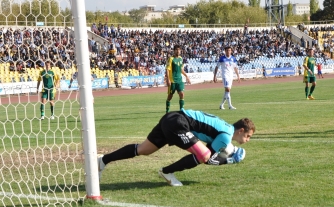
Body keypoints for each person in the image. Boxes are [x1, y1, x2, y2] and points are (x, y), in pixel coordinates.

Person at [97, 109, 255, 186]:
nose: (247, 140)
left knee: (144, 149)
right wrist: (229, 161)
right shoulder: (226, 136)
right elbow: (207, 159)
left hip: (172, 118)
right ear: (240, 130)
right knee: (204, 155)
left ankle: (103, 160)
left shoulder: (226, 129)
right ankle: (167, 172)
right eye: (248, 136)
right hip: (178, 123)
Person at [165, 45, 191, 113]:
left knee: (181, 94)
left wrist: (186, 76)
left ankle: (182, 110)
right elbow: (167, 69)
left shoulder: (180, 58)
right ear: (174, 50)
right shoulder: (171, 59)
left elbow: (181, 69)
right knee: (170, 96)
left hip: (179, 80)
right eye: (177, 49)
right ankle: (167, 110)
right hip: (173, 80)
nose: (178, 51)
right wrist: (168, 79)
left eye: (179, 49)